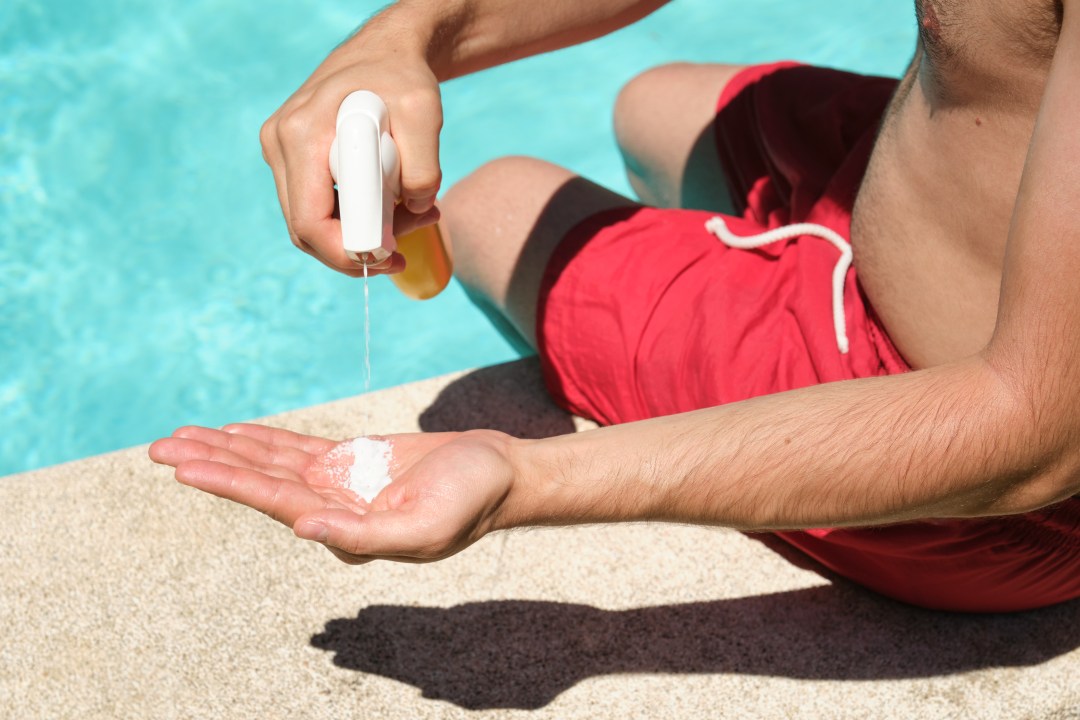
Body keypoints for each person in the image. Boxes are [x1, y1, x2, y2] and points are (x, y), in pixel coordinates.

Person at [149, 0, 1080, 612]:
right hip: (929, 175)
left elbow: (1036, 434)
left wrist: (529, 477)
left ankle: (704, 326)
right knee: (654, 106)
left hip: (957, 447)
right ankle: (716, 288)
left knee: (490, 205)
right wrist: (406, 38)